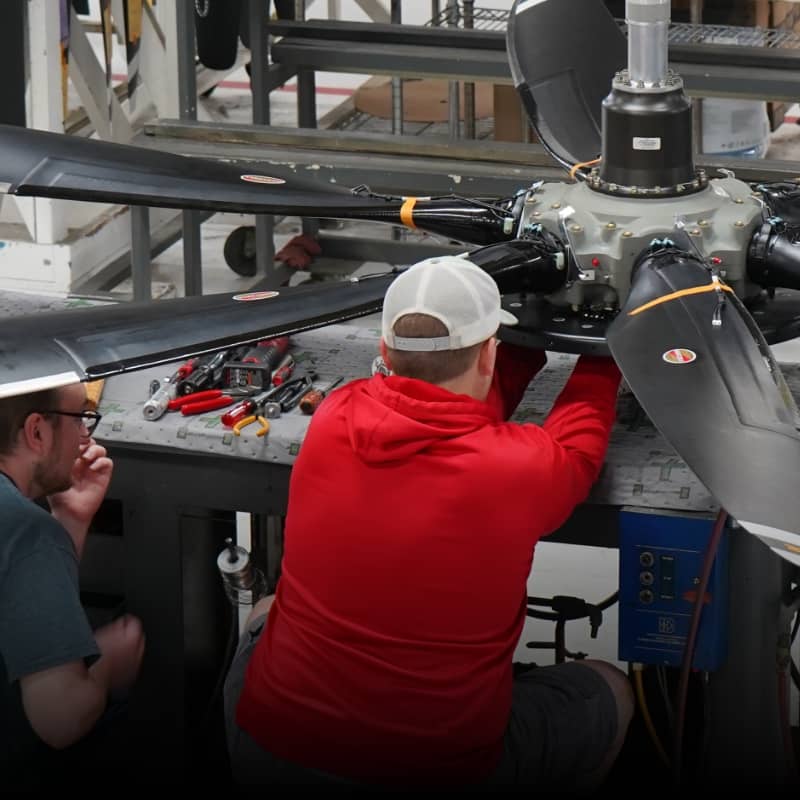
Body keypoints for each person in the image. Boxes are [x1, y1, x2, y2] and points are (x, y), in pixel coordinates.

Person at [224, 254, 633, 789]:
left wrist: (517, 349)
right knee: (610, 688)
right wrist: (609, 342)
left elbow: (439, 407)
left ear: (384, 351)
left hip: (269, 746)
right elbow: (580, 426)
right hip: (431, 771)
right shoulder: (522, 466)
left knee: (269, 607)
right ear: (488, 353)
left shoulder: (335, 415)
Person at [0, 381, 145, 789]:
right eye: (78, 417)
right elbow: (60, 719)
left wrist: (70, 523)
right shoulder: (28, 534)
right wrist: (109, 664)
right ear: (37, 433)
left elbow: (23, 603)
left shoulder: (29, 536)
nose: (86, 435)